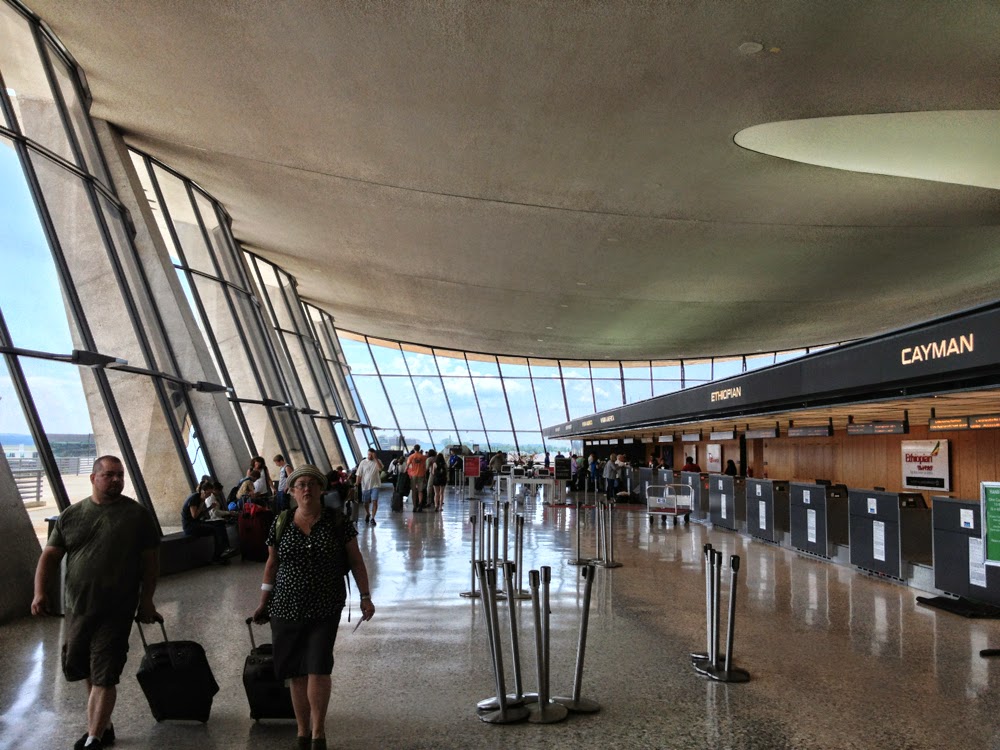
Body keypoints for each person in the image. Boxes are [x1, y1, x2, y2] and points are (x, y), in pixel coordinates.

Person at [32, 456, 161, 750]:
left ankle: (94, 737)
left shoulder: (137, 516)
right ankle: (105, 726)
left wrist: (147, 602)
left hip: (117, 609)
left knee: (105, 671)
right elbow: (49, 556)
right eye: (109, 475)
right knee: (87, 668)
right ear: (93, 478)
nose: (116, 480)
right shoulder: (72, 515)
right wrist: (40, 592)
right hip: (78, 608)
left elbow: (150, 565)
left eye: (120, 475)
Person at [252, 465, 374, 750]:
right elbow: (272, 564)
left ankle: (318, 733)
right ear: (292, 491)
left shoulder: (336, 521)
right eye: (301, 485)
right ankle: (302, 731)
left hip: (325, 606)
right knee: (296, 672)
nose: (307, 489)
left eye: (312, 484)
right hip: (285, 607)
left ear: (321, 489)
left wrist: (365, 596)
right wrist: (263, 602)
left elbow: (355, 559)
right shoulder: (281, 522)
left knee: (318, 667)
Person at [181, 481, 237, 562]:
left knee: (219, 523)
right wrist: (202, 503)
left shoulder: (201, 498)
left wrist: (210, 507)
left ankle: (225, 549)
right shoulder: (194, 498)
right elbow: (194, 516)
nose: (210, 495)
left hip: (196, 522)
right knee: (214, 529)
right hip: (190, 526)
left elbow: (200, 514)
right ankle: (216, 556)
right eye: (209, 493)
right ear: (203, 491)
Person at [356, 448, 384, 526]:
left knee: (375, 501)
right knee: (366, 503)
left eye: (371, 455)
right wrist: (357, 483)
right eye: (368, 454)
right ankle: (368, 513)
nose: (369, 456)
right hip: (365, 486)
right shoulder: (363, 462)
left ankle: (373, 518)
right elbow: (359, 474)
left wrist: (375, 459)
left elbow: (381, 468)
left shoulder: (377, 461)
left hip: (375, 485)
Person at [405, 445, 428, 511]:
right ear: (419, 448)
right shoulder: (423, 457)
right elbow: (425, 466)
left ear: (414, 449)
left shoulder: (411, 456)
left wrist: (404, 472)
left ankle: (415, 506)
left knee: (414, 491)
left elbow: (407, 466)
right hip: (421, 474)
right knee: (420, 491)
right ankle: (420, 504)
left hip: (413, 475)